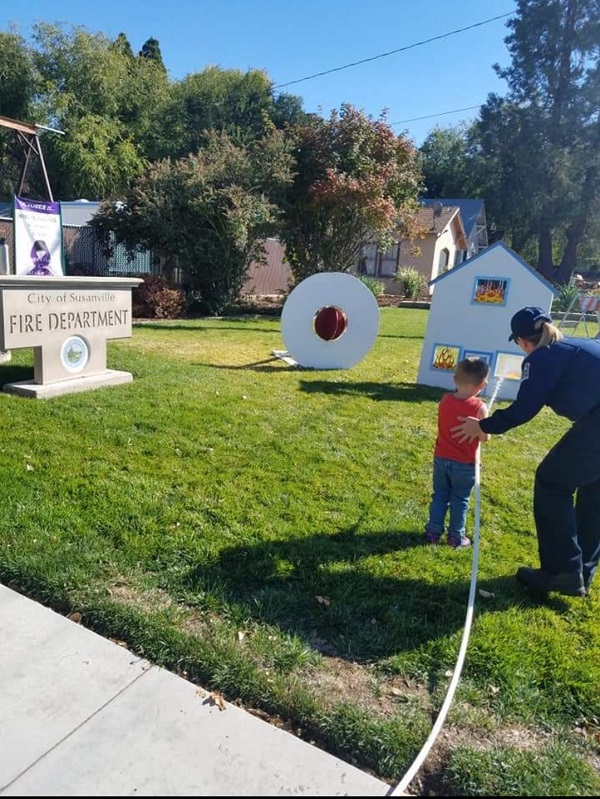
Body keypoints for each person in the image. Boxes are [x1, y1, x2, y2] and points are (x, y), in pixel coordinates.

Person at [452, 305, 600, 598]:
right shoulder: (574, 345)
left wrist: (482, 426)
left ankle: (562, 572)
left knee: (552, 482)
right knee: (594, 491)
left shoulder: (542, 356)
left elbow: (524, 409)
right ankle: (581, 571)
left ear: (522, 341)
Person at [425, 356, 490, 548]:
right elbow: (484, 438)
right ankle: (456, 536)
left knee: (439, 495)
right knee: (460, 500)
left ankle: (433, 532)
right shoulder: (480, 407)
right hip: (465, 464)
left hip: (441, 459)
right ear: (482, 385)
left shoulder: (445, 400)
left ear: (455, 380)